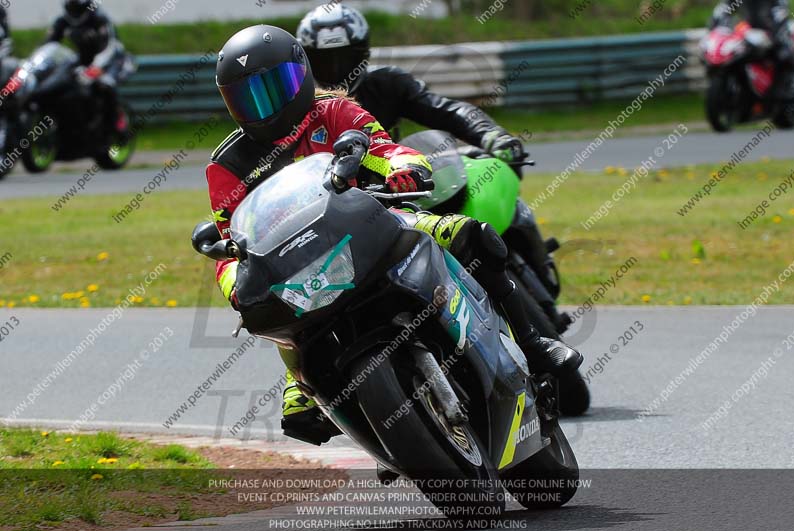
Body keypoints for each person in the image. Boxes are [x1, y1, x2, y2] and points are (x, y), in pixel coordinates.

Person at [208, 25, 582, 445]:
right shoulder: (226, 164)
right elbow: (229, 242)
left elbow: (385, 148)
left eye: (275, 88)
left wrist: (406, 168)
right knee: (270, 305)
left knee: (468, 233)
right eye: (249, 96)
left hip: (377, 221)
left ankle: (534, 344)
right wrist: (234, 283)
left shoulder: (333, 112)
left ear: (302, 75)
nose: (265, 105)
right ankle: (305, 384)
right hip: (301, 262)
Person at [296, 4, 568, 331]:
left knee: (485, 177)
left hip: (408, 185)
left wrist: (491, 135)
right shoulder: (300, 114)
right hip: (357, 212)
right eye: (325, 61)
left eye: (345, 57)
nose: (337, 69)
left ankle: (538, 279)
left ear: (363, 54)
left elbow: (445, 110)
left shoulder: (386, 84)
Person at [47, 0, 130, 136]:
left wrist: (96, 67)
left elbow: (110, 47)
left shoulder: (99, 18)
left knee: (105, 83)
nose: (74, 11)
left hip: (112, 60)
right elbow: (48, 45)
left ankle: (117, 120)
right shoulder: (62, 21)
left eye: (76, 7)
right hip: (84, 59)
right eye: (71, 7)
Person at [711, 0, 794, 102]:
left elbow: (780, 13)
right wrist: (719, 23)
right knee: (729, 54)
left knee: (784, 54)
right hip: (745, 34)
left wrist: (774, 32)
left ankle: (783, 96)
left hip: (771, 34)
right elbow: (724, 10)